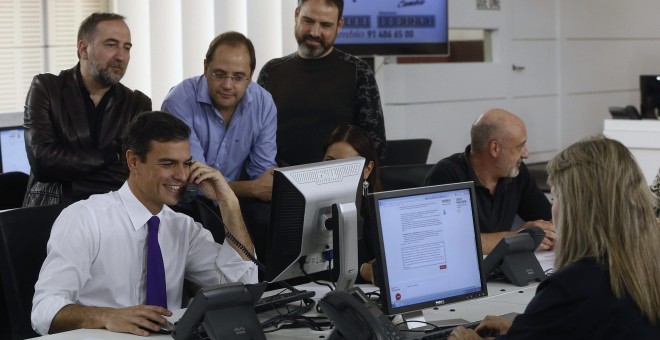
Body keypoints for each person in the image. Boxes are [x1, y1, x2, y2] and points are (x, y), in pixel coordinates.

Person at [31, 111, 257, 336]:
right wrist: (106, 315)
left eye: (186, 163)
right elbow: (43, 311)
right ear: (133, 161)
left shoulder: (184, 228)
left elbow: (241, 287)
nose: (181, 175)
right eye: (168, 163)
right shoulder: (85, 218)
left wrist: (229, 203)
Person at [449, 135, 660, 339]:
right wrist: (528, 328)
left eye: (556, 196)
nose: (553, 207)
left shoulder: (572, 287)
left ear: (573, 208)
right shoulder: (646, 266)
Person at [23, 12, 152, 207]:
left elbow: (135, 171)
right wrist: (112, 156)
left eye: (126, 48)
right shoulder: (47, 88)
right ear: (84, 49)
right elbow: (43, 162)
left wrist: (70, 180)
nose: (121, 56)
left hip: (113, 214)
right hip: (51, 212)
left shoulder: (137, 104)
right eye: (111, 45)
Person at [258, 0, 386, 167]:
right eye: (308, 21)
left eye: (325, 25)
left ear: (339, 25)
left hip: (340, 183)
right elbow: (254, 140)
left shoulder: (359, 72)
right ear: (296, 15)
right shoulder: (271, 71)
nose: (314, 32)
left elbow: (375, 147)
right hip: (278, 184)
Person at [162, 31, 277, 202]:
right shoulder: (179, 102)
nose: (227, 85)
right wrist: (252, 189)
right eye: (220, 74)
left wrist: (260, 187)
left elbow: (263, 175)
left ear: (251, 75)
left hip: (237, 202)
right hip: (185, 202)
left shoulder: (264, 104)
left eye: (238, 77)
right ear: (206, 67)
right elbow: (195, 180)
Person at [425, 108, 554, 254]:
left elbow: (547, 220)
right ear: (494, 148)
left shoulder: (516, 171)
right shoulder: (447, 175)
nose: (526, 154)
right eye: (520, 146)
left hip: (503, 268)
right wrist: (518, 238)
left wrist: (549, 232)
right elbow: (451, 241)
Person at [322, 124, 381, 284]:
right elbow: (314, 272)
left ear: (367, 170)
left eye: (346, 165)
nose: (335, 172)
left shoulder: (378, 211)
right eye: (329, 161)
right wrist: (363, 270)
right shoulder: (308, 212)